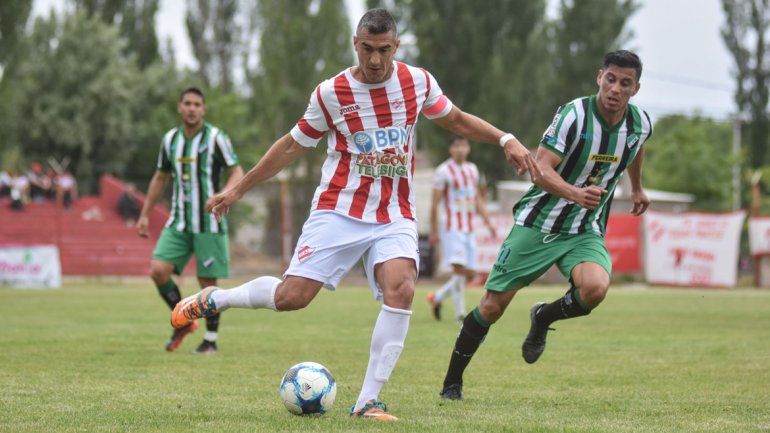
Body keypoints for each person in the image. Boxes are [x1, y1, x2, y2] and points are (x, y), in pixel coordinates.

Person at [171, 9, 539, 421]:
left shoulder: (417, 82)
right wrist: (237, 189)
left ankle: (367, 401)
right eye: (368, 49)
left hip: (395, 213)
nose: (376, 60)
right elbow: (291, 146)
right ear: (355, 44)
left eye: (384, 50)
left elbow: (455, 119)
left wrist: (505, 138)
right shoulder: (331, 93)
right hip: (339, 208)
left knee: (402, 289)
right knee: (291, 298)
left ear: (396, 47)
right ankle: (216, 298)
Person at [438, 50, 653, 401]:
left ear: (635, 88)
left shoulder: (640, 123)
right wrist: (574, 193)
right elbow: (540, 168)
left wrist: (638, 187)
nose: (615, 88)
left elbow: (636, 146)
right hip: (539, 222)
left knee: (595, 289)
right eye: (610, 79)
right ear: (600, 77)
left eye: (625, 83)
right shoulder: (574, 116)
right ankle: (452, 384)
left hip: (584, 229)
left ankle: (542, 318)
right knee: (492, 306)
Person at [136, 87, 244, 355]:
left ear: (203, 109)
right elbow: (160, 177)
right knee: (158, 270)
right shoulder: (170, 140)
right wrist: (145, 214)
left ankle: (210, 340)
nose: (192, 108)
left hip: (209, 222)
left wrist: (225, 194)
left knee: (207, 284)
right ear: (179, 107)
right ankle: (183, 322)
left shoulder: (216, 137)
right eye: (187, 103)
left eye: (197, 104)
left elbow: (236, 170)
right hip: (180, 222)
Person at [427, 134, 495, 323]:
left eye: (463, 145)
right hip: (451, 227)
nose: (460, 149)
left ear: (468, 148)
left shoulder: (472, 169)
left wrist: (488, 222)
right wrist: (433, 231)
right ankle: (460, 314)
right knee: (459, 271)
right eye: (456, 146)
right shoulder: (443, 171)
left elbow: (477, 199)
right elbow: (435, 203)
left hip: (468, 227)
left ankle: (438, 297)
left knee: (470, 274)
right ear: (451, 149)